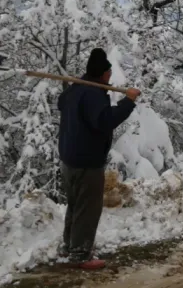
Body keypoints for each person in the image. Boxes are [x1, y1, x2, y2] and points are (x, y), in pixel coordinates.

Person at [56, 48, 141, 270]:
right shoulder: (93, 94)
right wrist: (128, 102)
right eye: (109, 72)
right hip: (86, 161)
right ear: (103, 74)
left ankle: (70, 247)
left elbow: (61, 102)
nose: (111, 75)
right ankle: (81, 254)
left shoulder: (77, 89)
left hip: (69, 158)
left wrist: (79, 88)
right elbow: (105, 120)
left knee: (75, 205)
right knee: (88, 207)